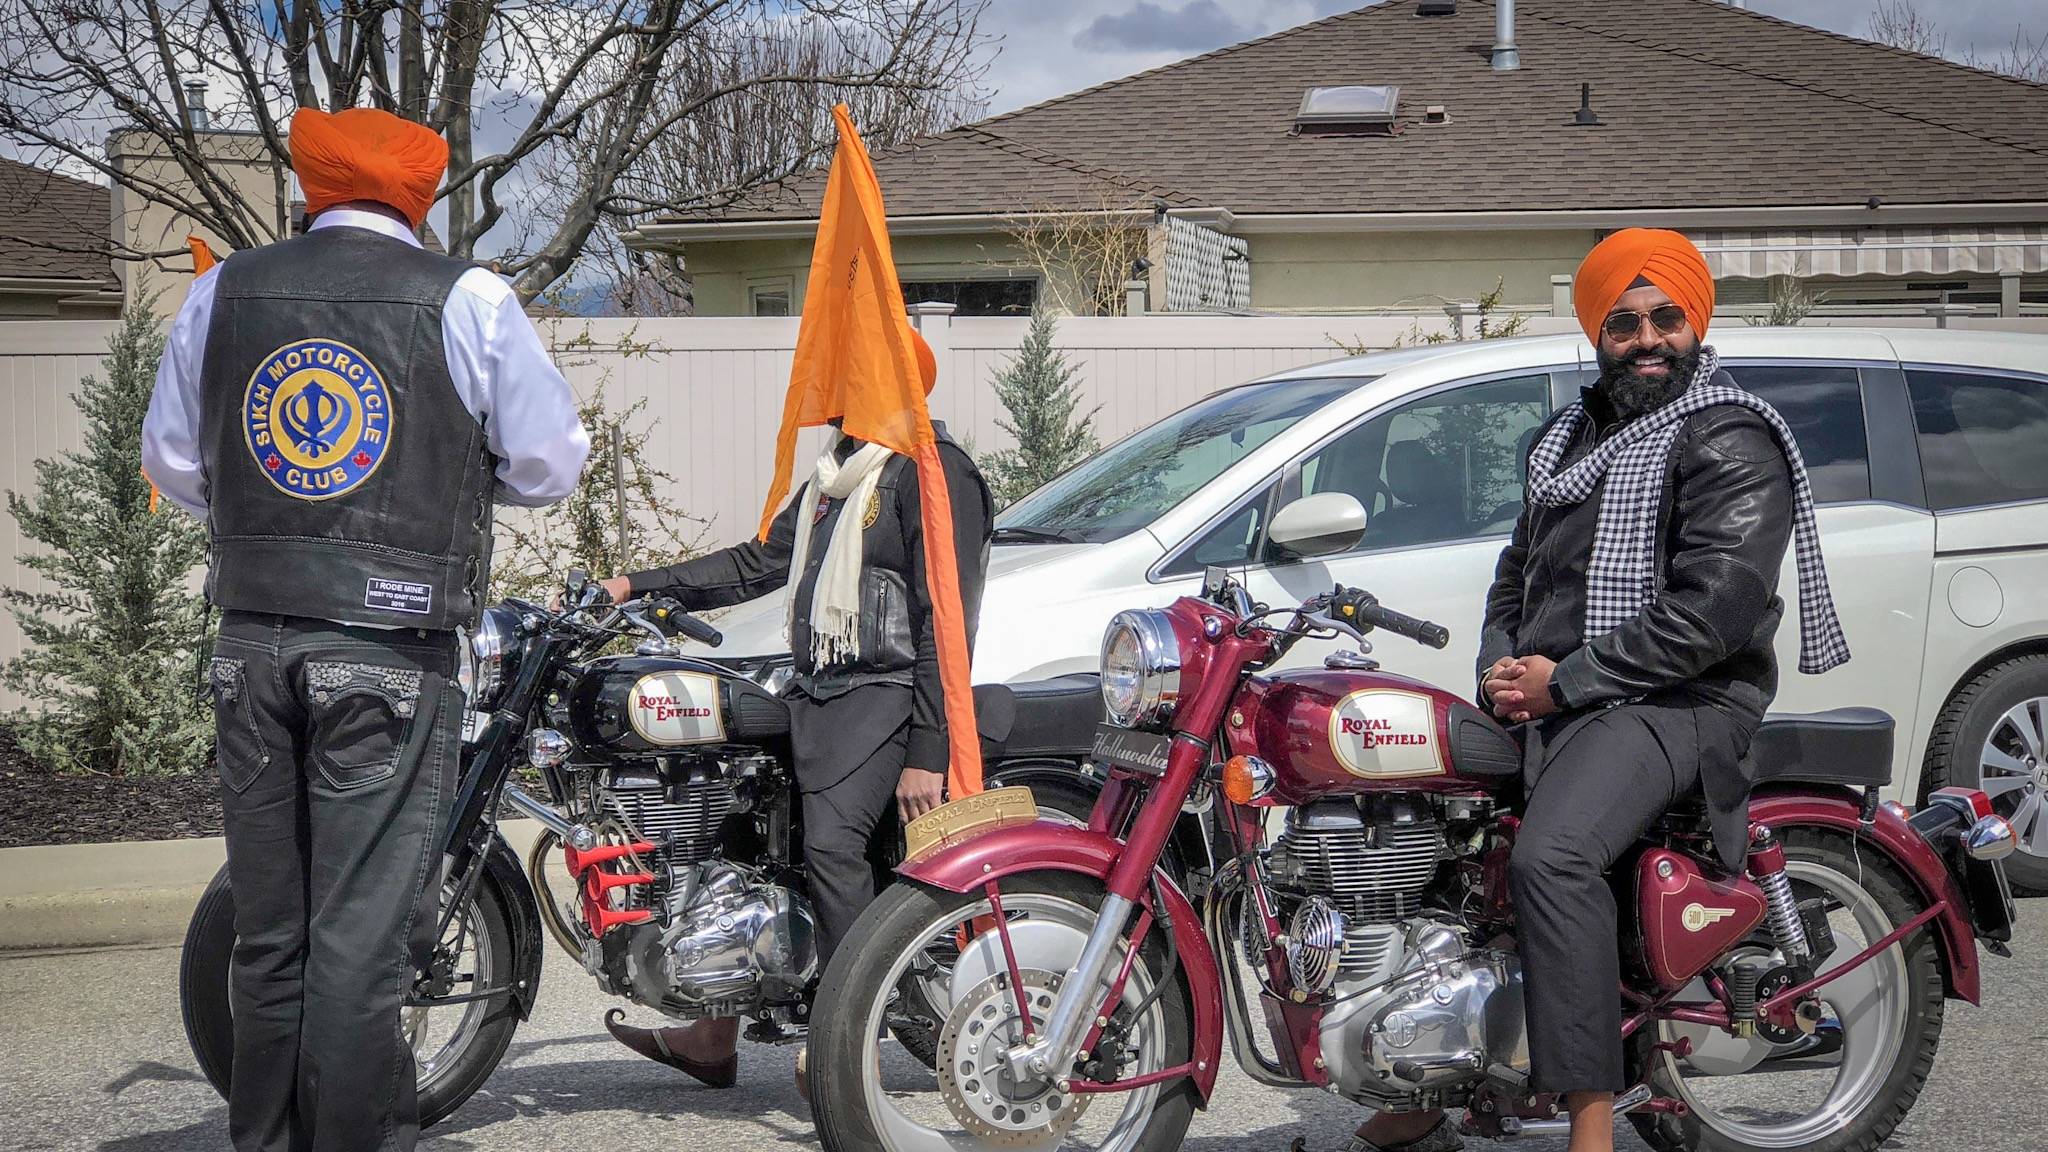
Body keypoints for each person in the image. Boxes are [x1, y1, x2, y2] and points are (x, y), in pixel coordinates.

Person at [141, 107, 589, 1152]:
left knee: (271, 929)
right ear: (420, 201)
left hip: (253, 639)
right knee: (359, 934)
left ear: (310, 190)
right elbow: (549, 461)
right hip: (390, 647)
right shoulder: (467, 297)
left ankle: (268, 1140)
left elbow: (173, 462)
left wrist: (274, 509)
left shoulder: (225, 289)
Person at [1344, 229, 1849, 1152]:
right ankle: (1430, 1077)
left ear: (1695, 322)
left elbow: (1715, 612)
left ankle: (1588, 1119)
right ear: (1597, 333)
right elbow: (1516, 576)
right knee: (1425, 815)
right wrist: (1503, 668)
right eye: (1623, 322)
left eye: (1664, 318)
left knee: (1553, 858)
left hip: (1682, 702)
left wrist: (1565, 680)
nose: (1645, 338)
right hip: (1568, 695)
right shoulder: (1565, 440)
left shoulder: (1729, 435)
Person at [594, 328, 992, 1095]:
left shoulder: (936, 476)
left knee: (834, 848)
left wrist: (929, 748)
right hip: (820, 688)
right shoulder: (834, 479)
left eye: (851, 372)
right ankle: (712, 1034)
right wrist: (637, 584)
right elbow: (757, 562)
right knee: (739, 823)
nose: (833, 390)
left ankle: (851, 1051)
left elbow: (948, 615)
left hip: (889, 692)